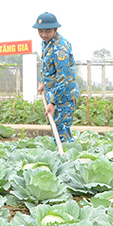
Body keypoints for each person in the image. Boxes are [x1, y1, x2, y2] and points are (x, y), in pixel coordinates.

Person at [34, 12, 80, 143]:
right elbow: (46, 66)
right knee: (58, 131)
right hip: (52, 94)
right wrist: (42, 81)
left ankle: (67, 154)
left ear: (55, 29)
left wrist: (53, 103)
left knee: (61, 132)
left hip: (64, 96)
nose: (44, 34)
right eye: (40, 31)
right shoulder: (46, 43)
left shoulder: (60, 48)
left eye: (47, 31)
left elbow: (62, 77)